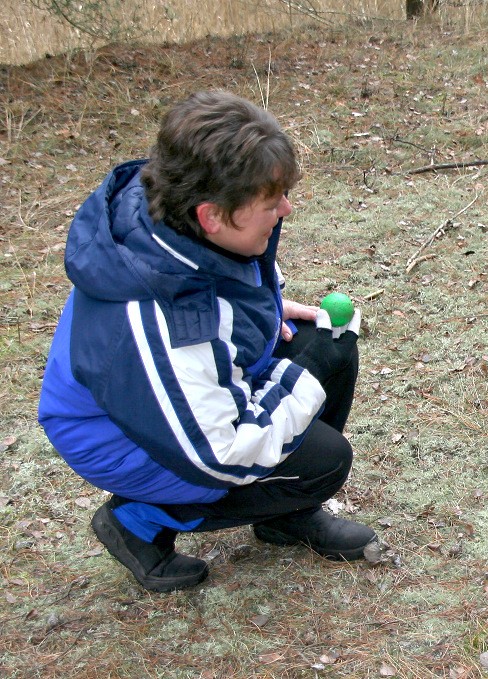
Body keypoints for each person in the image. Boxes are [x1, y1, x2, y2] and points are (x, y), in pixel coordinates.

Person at [38, 90, 377, 592]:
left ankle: (286, 513)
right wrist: (299, 379)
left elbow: (211, 284)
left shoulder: (176, 218)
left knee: (327, 340)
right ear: (213, 216)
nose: (286, 208)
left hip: (160, 393)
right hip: (120, 436)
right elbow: (220, 451)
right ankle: (139, 521)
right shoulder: (165, 322)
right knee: (325, 458)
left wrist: (261, 309)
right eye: (270, 201)